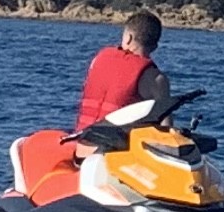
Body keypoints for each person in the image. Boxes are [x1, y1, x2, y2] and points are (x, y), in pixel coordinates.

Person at [71, 9, 173, 150]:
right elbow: (165, 133)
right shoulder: (156, 79)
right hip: (111, 155)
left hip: (80, 146)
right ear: (155, 47)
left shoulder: (98, 58)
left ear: (128, 38)